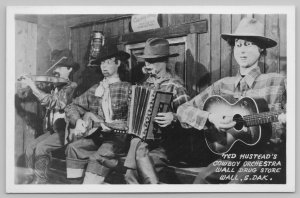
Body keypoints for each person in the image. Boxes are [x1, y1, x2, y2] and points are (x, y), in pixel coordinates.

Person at [177, 17, 286, 184]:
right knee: (201, 180)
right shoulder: (222, 85)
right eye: (238, 44)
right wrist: (211, 118)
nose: (241, 50)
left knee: (235, 186)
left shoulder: (278, 82)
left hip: (267, 157)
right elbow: (183, 110)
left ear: (261, 48)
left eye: (248, 44)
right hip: (232, 155)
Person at [124, 38, 190, 184]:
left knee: (135, 173)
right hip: (143, 145)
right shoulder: (143, 84)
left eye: (152, 61)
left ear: (165, 61)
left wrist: (173, 117)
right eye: (146, 61)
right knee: (130, 173)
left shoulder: (175, 86)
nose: (148, 65)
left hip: (165, 147)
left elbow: (190, 118)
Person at [64, 43, 131, 184]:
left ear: (118, 63)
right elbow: (72, 106)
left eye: (108, 62)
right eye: (101, 63)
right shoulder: (96, 88)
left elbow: (132, 121)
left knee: (98, 156)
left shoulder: (127, 88)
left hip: (118, 141)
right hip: (97, 137)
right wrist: (78, 121)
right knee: (73, 148)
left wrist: (112, 125)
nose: (104, 66)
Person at [20, 49, 79, 184]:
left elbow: (55, 103)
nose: (55, 70)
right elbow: (31, 92)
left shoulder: (71, 86)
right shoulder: (54, 86)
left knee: (41, 148)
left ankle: (40, 181)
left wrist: (33, 86)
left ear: (70, 69)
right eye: (55, 67)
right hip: (54, 130)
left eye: (60, 67)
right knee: (30, 147)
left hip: (66, 131)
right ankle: (30, 177)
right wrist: (27, 82)